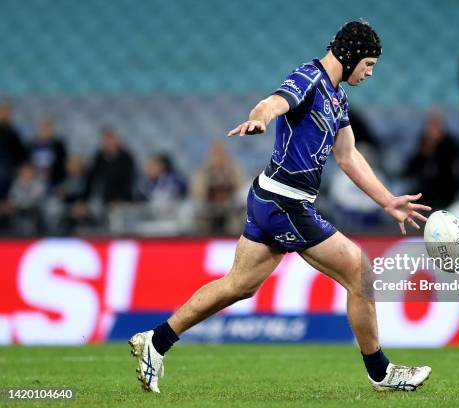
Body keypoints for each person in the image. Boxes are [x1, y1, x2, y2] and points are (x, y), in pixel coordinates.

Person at [129, 21, 432, 393]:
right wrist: (259, 118)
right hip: (285, 202)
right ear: (351, 55)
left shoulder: (338, 98)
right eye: (368, 64)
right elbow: (273, 102)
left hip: (270, 197)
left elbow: (348, 155)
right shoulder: (309, 77)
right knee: (359, 271)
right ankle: (381, 373)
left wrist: (388, 201)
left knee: (237, 286)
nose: (370, 73)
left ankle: (155, 342)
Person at [403, 109, 458, 208]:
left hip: (444, 195)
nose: (432, 130)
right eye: (430, 125)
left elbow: (447, 173)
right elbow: (409, 169)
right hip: (423, 193)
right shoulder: (423, 143)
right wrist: (425, 152)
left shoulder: (450, 145)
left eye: (436, 125)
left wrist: (436, 147)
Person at [28, 117, 67, 190]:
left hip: (54, 179)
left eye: (48, 127)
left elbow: (63, 163)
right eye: (43, 127)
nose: (45, 130)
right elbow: (28, 162)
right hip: (34, 179)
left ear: (52, 129)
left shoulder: (59, 145)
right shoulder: (31, 145)